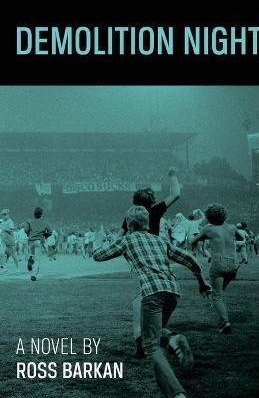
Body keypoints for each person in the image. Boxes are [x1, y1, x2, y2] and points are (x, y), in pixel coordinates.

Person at [93, 205, 211, 398]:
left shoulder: (127, 240)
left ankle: (177, 393)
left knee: (152, 346)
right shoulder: (159, 240)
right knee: (156, 333)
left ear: (129, 225)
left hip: (151, 291)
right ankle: (172, 338)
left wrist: (100, 241)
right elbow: (189, 259)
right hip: (172, 291)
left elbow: (99, 256)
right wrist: (202, 282)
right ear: (147, 223)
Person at [119, 166, 181, 358]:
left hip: (139, 258)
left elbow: (119, 237)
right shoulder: (154, 211)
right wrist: (172, 175)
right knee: (159, 295)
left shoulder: (130, 216)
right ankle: (159, 333)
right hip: (157, 255)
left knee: (139, 296)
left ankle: (139, 336)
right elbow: (176, 194)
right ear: (151, 201)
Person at [191, 204, 243, 334]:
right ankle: (215, 301)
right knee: (220, 292)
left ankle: (225, 323)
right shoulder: (232, 227)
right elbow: (241, 238)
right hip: (233, 264)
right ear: (224, 215)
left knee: (217, 295)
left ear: (209, 217)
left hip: (219, 264)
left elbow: (193, 240)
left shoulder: (209, 230)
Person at [24, 207, 52, 280]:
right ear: (41, 214)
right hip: (39, 241)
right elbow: (50, 232)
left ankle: (30, 258)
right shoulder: (45, 223)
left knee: (32, 255)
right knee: (37, 260)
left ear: (34, 214)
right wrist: (44, 236)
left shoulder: (29, 221)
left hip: (31, 241)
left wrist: (29, 234)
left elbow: (26, 229)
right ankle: (34, 275)